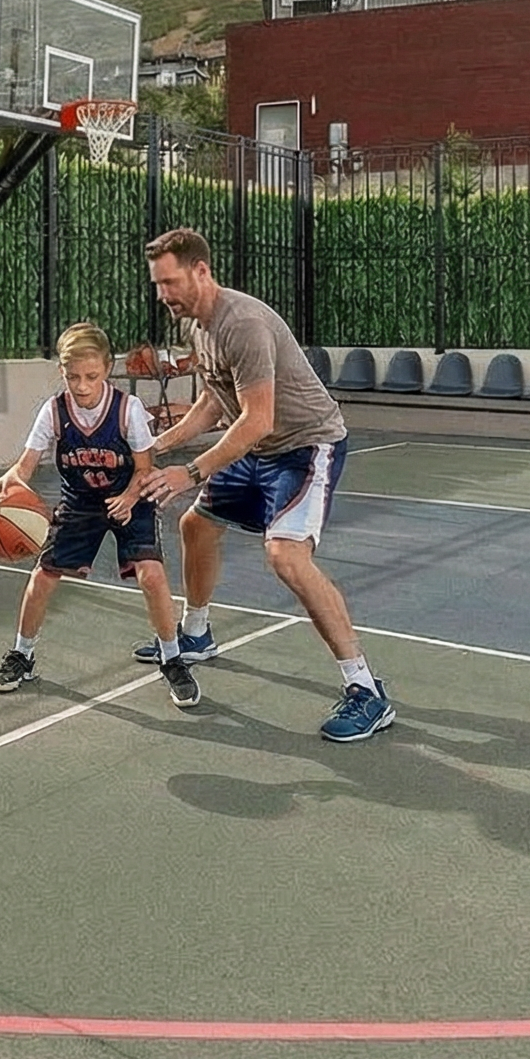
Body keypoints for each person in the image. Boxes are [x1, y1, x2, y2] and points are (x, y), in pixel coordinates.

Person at [134, 227, 392, 742]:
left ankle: (367, 690)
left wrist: (190, 470)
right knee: (196, 526)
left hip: (304, 447)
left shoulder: (243, 323)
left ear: (201, 271)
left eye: (169, 282)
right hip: (256, 448)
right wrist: (159, 445)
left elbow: (257, 419)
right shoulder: (197, 327)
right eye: (157, 284)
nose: (163, 295)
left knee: (286, 556)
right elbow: (215, 402)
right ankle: (197, 633)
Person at [0, 322, 204, 710]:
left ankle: (172, 659)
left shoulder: (127, 409)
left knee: (151, 574)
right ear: (62, 373)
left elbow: (144, 466)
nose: (82, 385)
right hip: (81, 502)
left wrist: (129, 496)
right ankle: (23, 655)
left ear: (107, 370)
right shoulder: (54, 411)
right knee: (43, 575)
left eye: (91, 376)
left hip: (130, 497)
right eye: (73, 377)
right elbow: (26, 464)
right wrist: (8, 481)